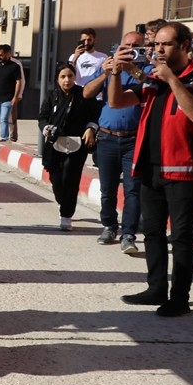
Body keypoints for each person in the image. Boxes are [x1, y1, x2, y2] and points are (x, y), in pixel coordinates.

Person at [111, 22, 193, 317]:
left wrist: (172, 79)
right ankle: (155, 289)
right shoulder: (152, 81)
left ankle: (179, 298)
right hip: (150, 168)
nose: (158, 50)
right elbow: (116, 101)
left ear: (184, 46)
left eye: (165, 45)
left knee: (179, 237)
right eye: (156, 45)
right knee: (151, 232)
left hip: (184, 172)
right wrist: (115, 71)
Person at [81, 30, 145, 254]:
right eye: (125, 47)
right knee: (107, 190)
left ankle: (129, 234)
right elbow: (87, 93)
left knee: (132, 190)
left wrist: (132, 69)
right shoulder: (107, 66)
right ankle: (109, 226)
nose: (129, 51)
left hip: (133, 139)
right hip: (107, 138)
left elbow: (149, 84)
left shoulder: (145, 68)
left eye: (135, 47)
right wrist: (105, 73)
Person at [38, 63, 99, 231]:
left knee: (70, 179)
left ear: (75, 77)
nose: (67, 80)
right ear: (57, 79)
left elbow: (95, 114)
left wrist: (90, 128)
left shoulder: (84, 94)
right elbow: (43, 117)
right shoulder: (52, 96)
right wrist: (46, 128)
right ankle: (63, 202)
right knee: (56, 179)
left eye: (70, 76)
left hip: (77, 144)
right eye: (63, 77)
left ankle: (66, 215)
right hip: (54, 144)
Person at [0, 44, 23, 140]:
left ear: (8, 54)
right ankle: (5, 137)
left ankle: (4, 137)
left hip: (8, 98)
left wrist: (16, 96)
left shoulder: (15, 66)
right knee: (1, 119)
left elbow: (18, 82)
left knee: (3, 118)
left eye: (1, 55)